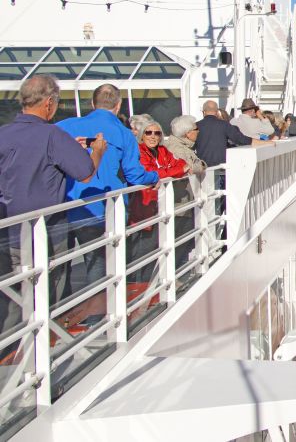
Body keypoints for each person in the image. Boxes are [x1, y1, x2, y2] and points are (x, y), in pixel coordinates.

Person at [0, 75, 107, 341]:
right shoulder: (52, 135)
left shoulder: (3, 133)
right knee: (48, 291)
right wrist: (97, 152)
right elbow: (85, 173)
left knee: (16, 295)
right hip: (46, 230)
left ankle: (13, 357)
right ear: (49, 103)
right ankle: (39, 358)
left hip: (9, 229)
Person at [58, 84, 158, 289]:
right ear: (119, 105)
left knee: (58, 269)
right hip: (102, 208)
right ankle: (97, 317)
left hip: (63, 206)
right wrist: (154, 176)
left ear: (93, 104)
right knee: (98, 266)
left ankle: (60, 316)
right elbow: (135, 175)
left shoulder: (64, 126)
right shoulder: (123, 133)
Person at [129, 117, 187, 282]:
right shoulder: (139, 151)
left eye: (157, 133)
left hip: (160, 206)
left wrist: (169, 170)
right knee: (142, 250)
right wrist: (170, 170)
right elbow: (150, 173)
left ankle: (150, 284)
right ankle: (139, 286)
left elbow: (180, 163)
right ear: (142, 135)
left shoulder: (162, 151)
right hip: (144, 206)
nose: (153, 136)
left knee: (156, 247)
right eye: (149, 133)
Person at [164, 115, 206, 268]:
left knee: (183, 238)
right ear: (187, 133)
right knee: (179, 239)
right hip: (179, 202)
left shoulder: (182, 146)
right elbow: (188, 168)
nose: (198, 131)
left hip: (183, 201)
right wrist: (199, 165)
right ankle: (174, 272)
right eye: (196, 129)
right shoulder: (176, 148)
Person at [194, 99, 270, 167]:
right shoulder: (224, 125)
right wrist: (265, 142)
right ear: (217, 112)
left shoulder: (196, 126)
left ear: (203, 112)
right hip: (220, 166)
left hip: (202, 167)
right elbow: (241, 139)